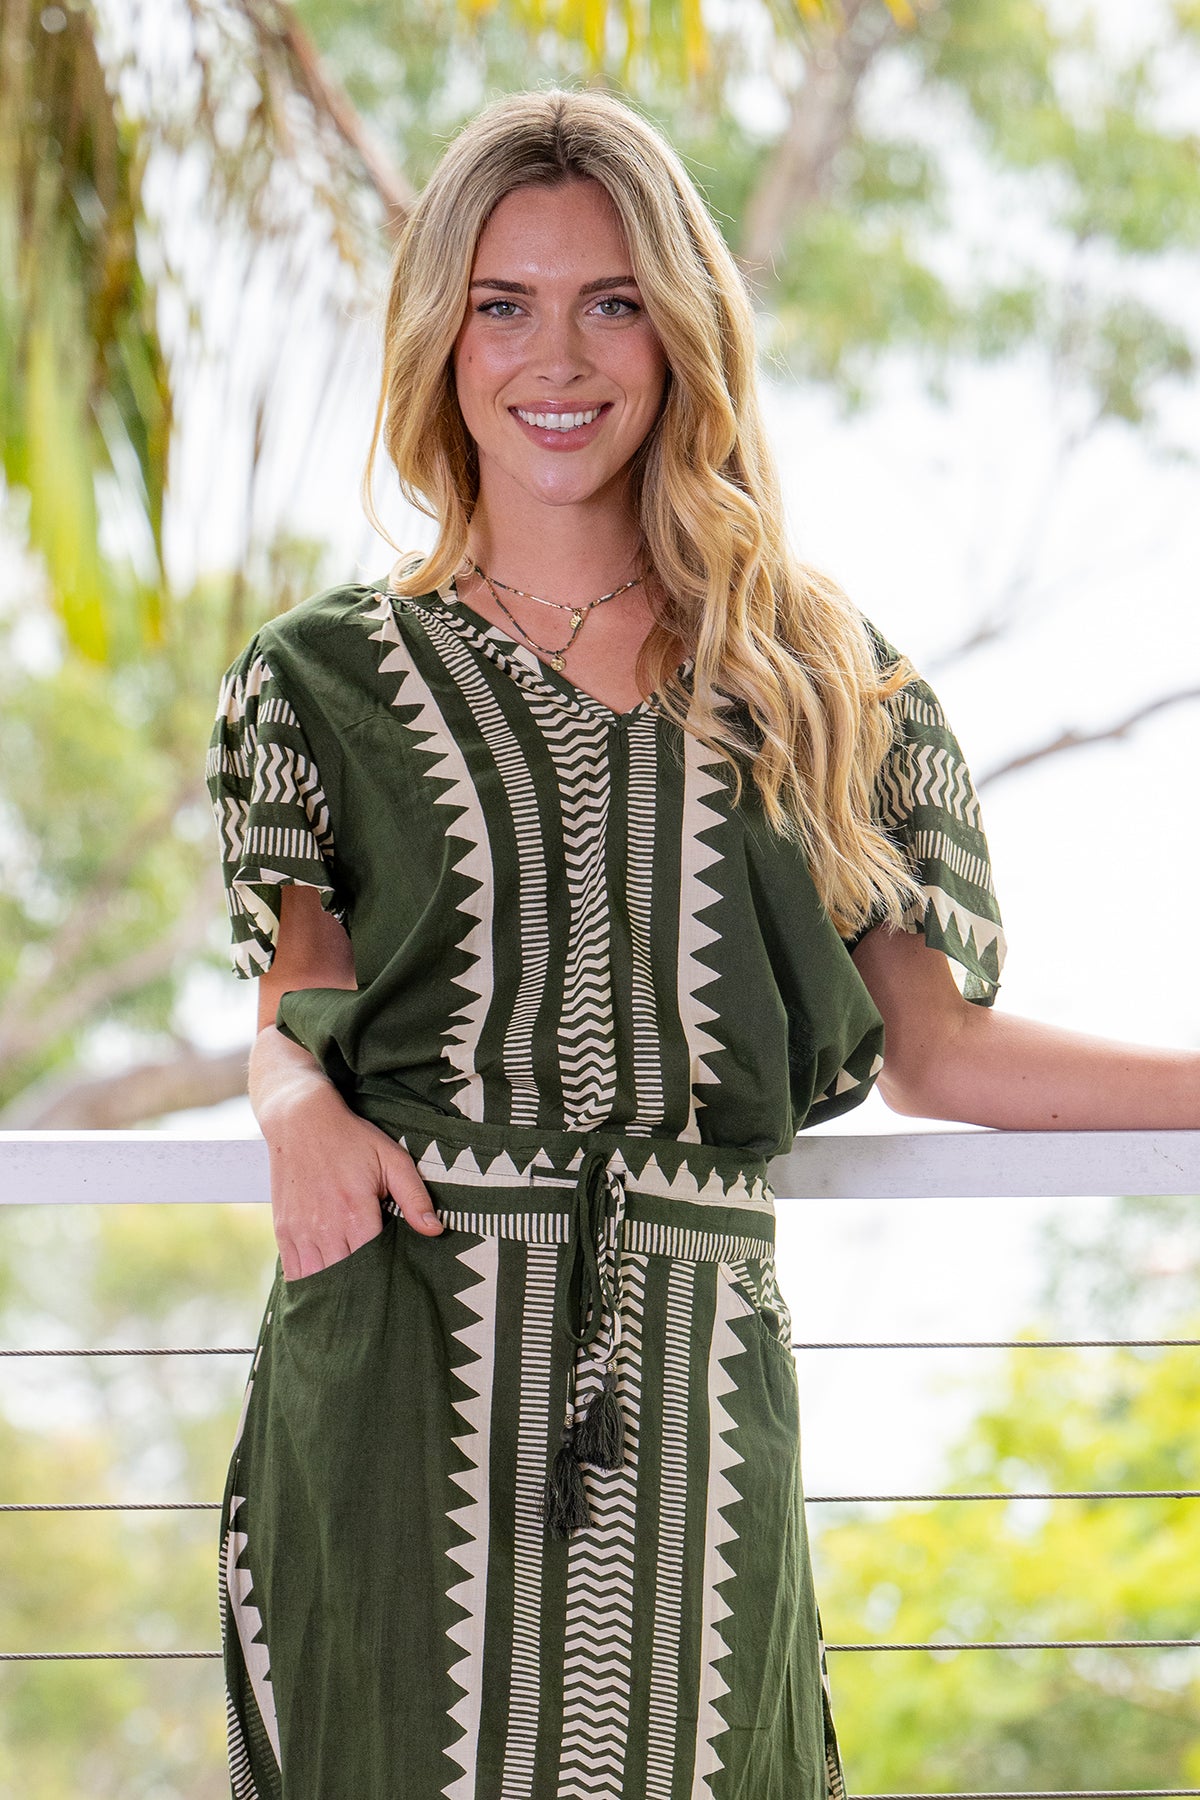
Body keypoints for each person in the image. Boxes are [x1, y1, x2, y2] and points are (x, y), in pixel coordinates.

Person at [206, 87, 1198, 1800]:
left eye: (610, 301)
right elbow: (299, 1002)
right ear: (443, 338)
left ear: (681, 332)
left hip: (687, 1381)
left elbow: (942, 1053)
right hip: (390, 1377)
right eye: (502, 304)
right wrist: (290, 1104)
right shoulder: (324, 678)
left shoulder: (816, 678)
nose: (554, 357)